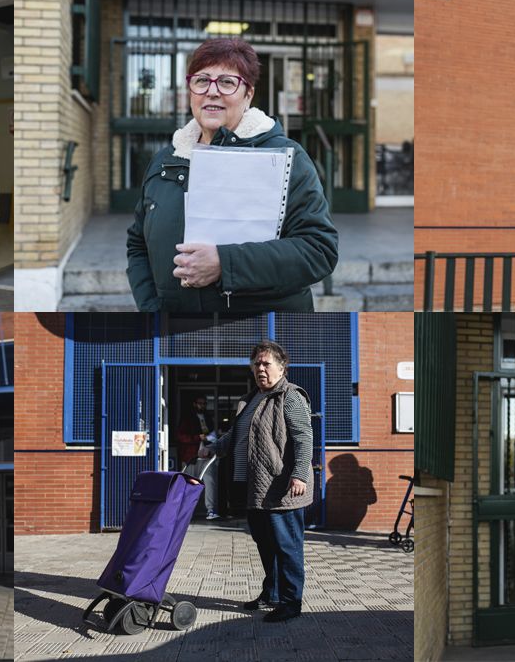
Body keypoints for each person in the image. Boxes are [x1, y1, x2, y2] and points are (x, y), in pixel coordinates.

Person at [126, 38, 338, 312]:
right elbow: (137, 245)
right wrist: (153, 310)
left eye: (227, 82)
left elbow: (318, 250)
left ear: (248, 94)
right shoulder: (165, 161)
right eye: (202, 80)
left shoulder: (286, 158)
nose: (212, 92)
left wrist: (225, 264)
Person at [200, 340, 312, 622]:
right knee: (266, 545)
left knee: (287, 547)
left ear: (282, 367)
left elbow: (303, 437)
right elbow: (237, 436)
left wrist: (299, 473)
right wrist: (215, 448)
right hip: (255, 487)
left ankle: (290, 602)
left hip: (281, 488)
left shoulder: (290, 396)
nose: (261, 369)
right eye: (256, 364)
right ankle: (271, 593)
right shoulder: (251, 399)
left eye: (267, 363)